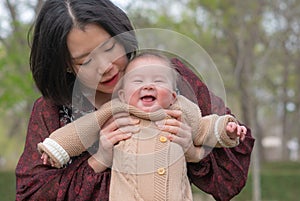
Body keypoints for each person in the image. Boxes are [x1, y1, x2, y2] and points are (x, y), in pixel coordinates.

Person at [15, 1, 255, 201]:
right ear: (66, 66)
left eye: (109, 47)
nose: (105, 66)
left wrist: (192, 151)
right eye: (85, 61)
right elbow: (31, 194)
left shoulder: (169, 80)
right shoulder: (53, 110)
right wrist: (98, 161)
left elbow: (232, 175)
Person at [37, 52, 247, 200]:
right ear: (123, 94)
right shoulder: (116, 110)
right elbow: (83, 129)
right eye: (137, 81)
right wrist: (55, 148)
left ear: (173, 95)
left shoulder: (180, 110)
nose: (148, 85)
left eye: (158, 81)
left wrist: (227, 129)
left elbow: (203, 128)